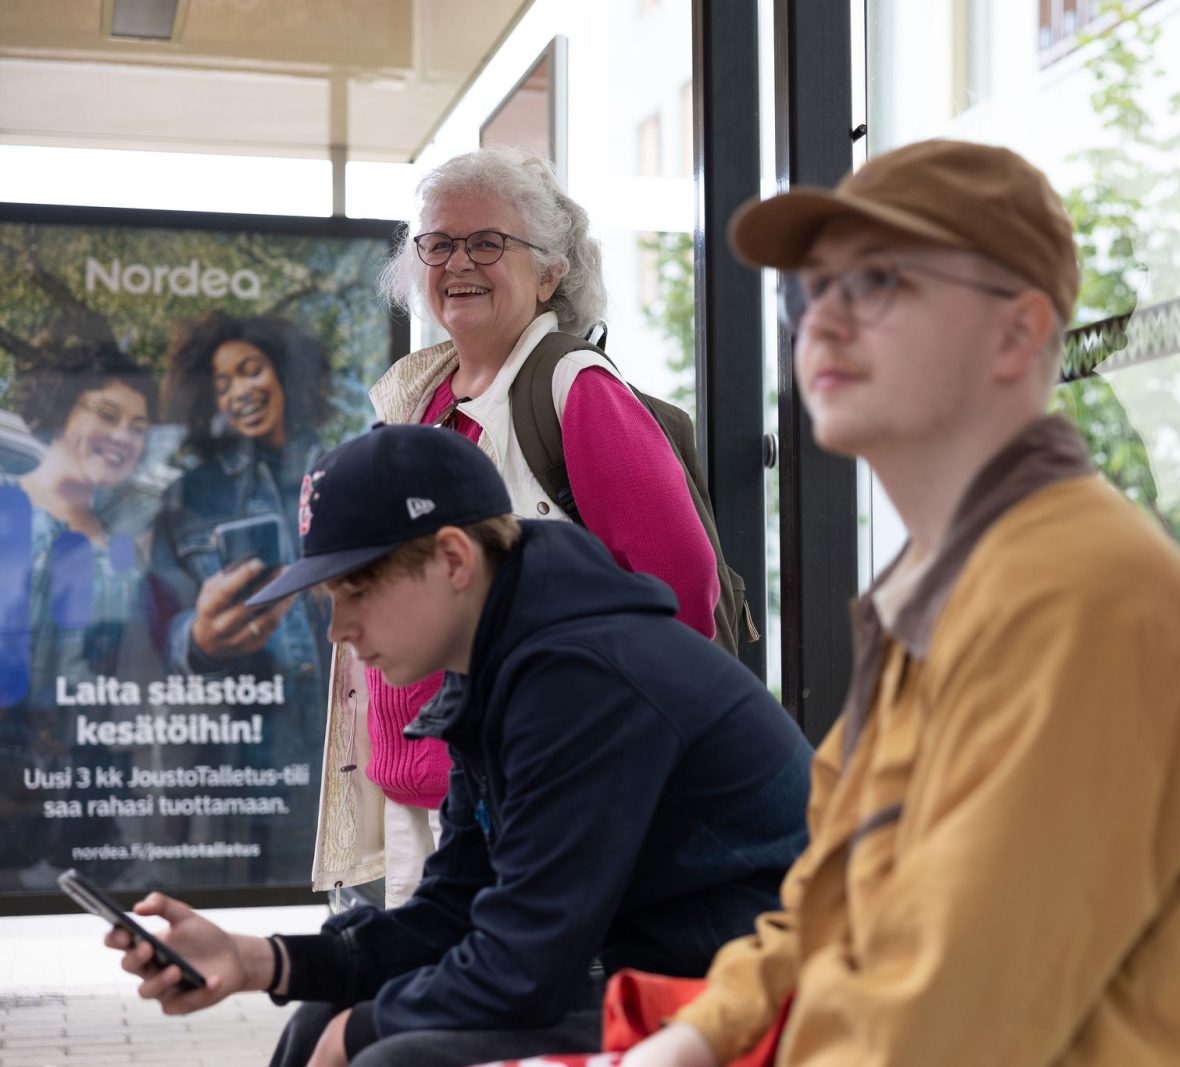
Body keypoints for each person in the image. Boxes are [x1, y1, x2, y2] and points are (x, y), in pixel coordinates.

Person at [622, 139, 1180, 1065]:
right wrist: (701, 1033)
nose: (820, 324)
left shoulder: (1082, 602)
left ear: (1018, 331)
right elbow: (836, 903)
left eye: (876, 281)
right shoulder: (949, 586)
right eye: (809, 290)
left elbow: (946, 1027)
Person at [106, 423, 811, 1067]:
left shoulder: (580, 677)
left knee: (389, 1056)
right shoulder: (501, 662)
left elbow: (524, 969)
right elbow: (458, 911)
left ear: (451, 558)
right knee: (321, 1018)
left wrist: (357, 1033)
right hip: (659, 972)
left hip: (762, 999)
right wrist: (259, 959)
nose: (338, 629)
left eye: (357, 589)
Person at [324, 145, 722, 907]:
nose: (457, 262)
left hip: (527, 798)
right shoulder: (428, 396)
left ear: (550, 273)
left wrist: (598, 772)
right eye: (437, 243)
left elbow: (684, 597)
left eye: (487, 242)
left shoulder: (578, 393)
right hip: (428, 796)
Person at [0, 337, 158, 890]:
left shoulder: (130, 546)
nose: (123, 436)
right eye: (107, 414)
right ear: (59, 408)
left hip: (93, 811)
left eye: (138, 426)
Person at [148, 313, 333, 751]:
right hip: (246, 750)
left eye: (252, 371)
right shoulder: (189, 498)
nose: (239, 391)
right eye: (221, 385)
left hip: (351, 739)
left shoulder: (346, 469)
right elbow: (155, 629)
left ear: (285, 374)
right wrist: (198, 640)